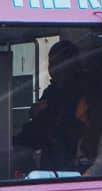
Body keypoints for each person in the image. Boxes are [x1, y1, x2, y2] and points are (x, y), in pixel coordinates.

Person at [15, 40, 86, 170]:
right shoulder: (52, 90)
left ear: (72, 64)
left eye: (58, 63)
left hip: (69, 154)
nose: (53, 69)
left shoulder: (80, 91)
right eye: (51, 64)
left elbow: (66, 126)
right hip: (48, 149)